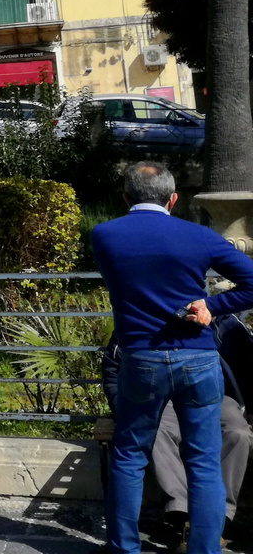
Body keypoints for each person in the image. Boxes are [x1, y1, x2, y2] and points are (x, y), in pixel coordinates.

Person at [91, 162, 253, 554]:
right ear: (173, 198)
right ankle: (204, 549)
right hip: (197, 360)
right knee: (204, 461)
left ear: (126, 196)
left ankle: (123, 548)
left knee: (129, 456)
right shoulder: (197, 236)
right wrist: (213, 305)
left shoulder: (104, 235)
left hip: (140, 357)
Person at [103, 309, 253, 550]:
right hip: (160, 398)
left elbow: (250, 367)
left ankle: (216, 517)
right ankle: (183, 515)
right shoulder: (139, 319)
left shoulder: (225, 323)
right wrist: (123, 409)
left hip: (217, 396)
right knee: (155, 431)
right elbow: (113, 367)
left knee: (238, 432)